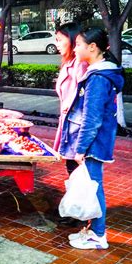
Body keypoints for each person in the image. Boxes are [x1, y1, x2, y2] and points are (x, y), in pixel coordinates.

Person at [59, 27, 124, 250]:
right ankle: (93, 229)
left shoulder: (98, 78)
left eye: (78, 44)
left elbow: (92, 118)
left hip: (95, 144)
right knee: (92, 186)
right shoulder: (99, 72)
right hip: (97, 141)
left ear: (92, 47)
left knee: (94, 188)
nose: (75, 48)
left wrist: (80, 148)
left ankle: (99, 235)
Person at [54, 22, 89, 176]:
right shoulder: (69, 62)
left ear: (73, 40)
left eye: (60, 40)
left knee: (79, 172)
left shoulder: (80, 65)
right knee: (73, 169)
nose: (57, 44)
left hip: (78, 127)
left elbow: (85, 99)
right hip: (70, 124)